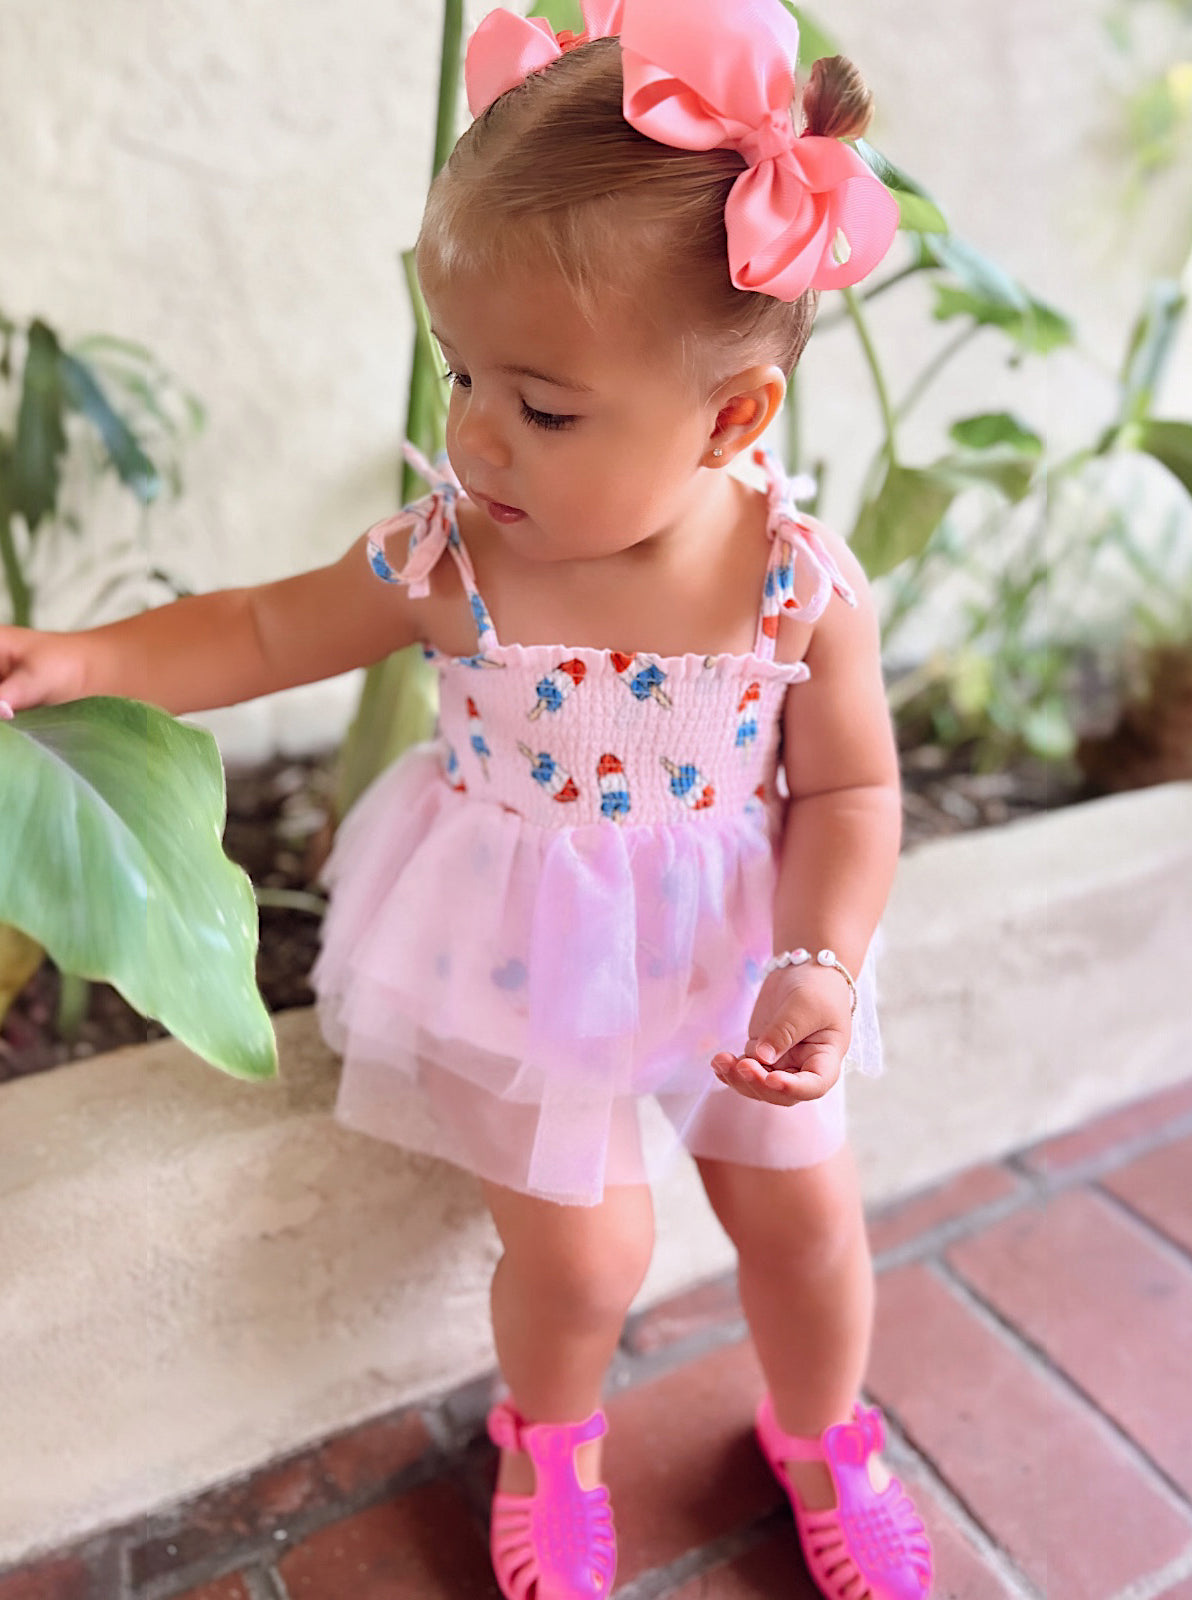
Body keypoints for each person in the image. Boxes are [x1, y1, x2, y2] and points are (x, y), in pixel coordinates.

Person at [0, 1, 935, 1594]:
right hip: (516, 956)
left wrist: (823, 962)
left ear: (731, 419)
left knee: (806, 1230)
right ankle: (549, 1437)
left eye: (545, 407)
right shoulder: (455, 558)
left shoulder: (793, 589)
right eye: (463, 376)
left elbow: (849, 791)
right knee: (583, 1254)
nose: (477, 435)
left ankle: (822, 1433)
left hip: (737, 957)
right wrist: (87, 655)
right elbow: (258, 626)